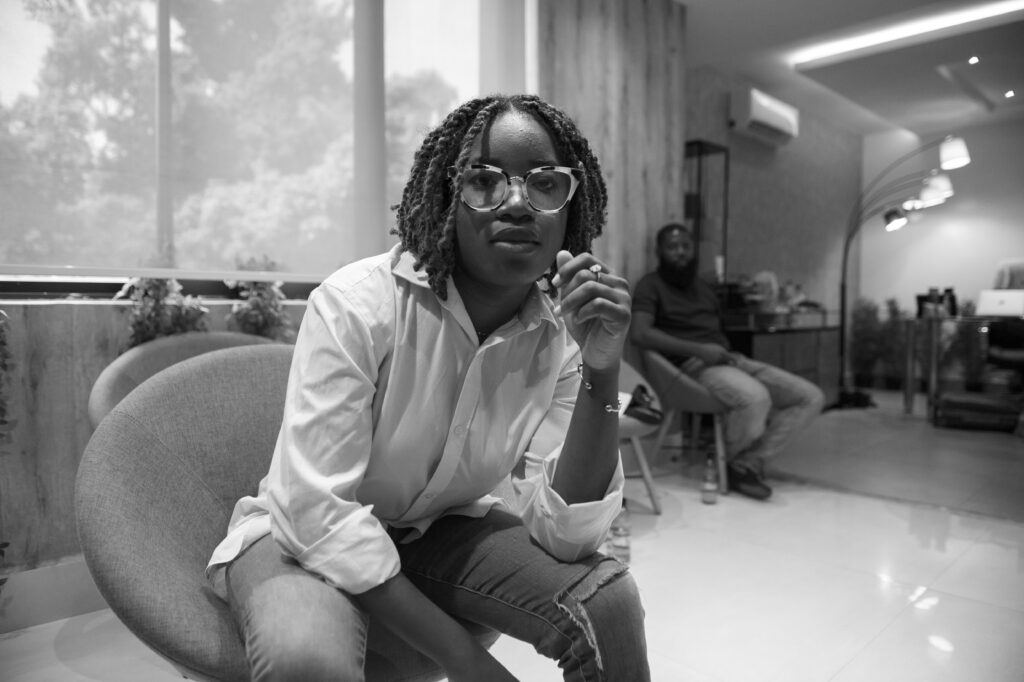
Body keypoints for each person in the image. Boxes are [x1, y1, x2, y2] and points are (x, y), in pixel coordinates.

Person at [206, 94, 650, 682]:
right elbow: (316, 513)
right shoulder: (358, 303)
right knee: (306, 661)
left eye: (545, 183)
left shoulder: (561, 336)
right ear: (446, 197)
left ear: (571, 207)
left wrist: (602, 366)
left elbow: (568, 537)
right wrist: (468, 662)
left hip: (438, 531)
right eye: (483, 181)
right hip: (297, 537)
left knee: (607, 602)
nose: (517, 203)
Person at [630, 222, 824, 501]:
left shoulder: (704, 288)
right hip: (692, 369)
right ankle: (736, 462)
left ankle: (744, 462)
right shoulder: (650, 286)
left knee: (810, 397)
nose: (681, 252)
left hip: (732, 361)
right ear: (659, 251)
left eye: (686, 246)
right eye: (673, 247)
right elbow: (639, 333)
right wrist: (699, 350)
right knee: (756, 399)